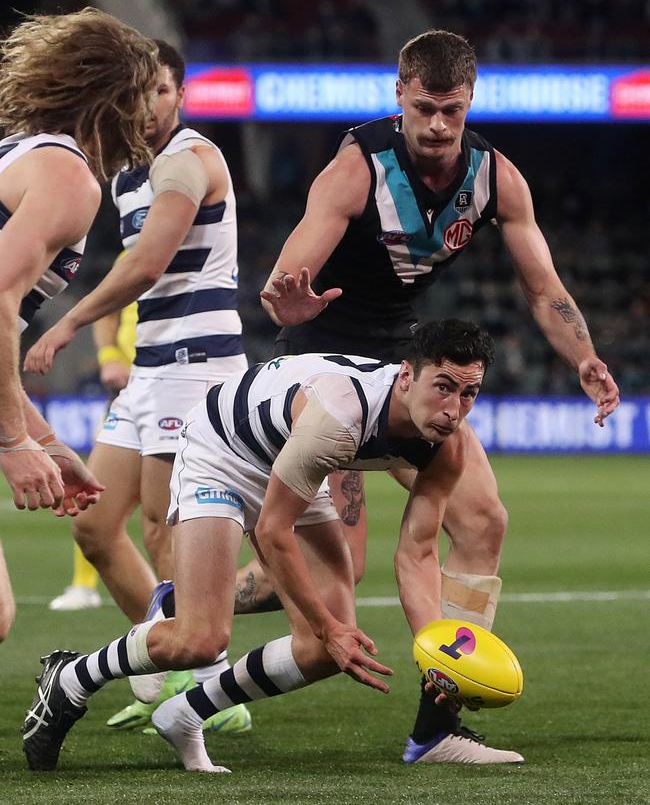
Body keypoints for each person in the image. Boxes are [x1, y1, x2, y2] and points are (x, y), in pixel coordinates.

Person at [252, 29, 620, 763]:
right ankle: (185, 602)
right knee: (337, 572)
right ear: (399, 95)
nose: (438, 125)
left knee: (482, 517)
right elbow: (291, 274)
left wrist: (582, 355)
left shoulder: (496, 178)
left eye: (451, 109)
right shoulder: (356, 168)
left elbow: (544, 288)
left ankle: (438, 719)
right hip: (323, 369)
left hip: (403, 365)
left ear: (470, 100)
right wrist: (284, 301)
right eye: (424, 107)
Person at [22, 319, 525, 773]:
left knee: (325, 652)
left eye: (469, 393)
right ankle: (71, 677)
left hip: (291, 460)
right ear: (406, 377)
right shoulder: (341, 417)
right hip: (223, 449)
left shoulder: (449, 447)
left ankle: (186, 713)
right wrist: (328, 628)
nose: (454, 409)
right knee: (202, 640)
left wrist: (435, 655)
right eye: (443, 387)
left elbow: (418, 553)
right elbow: (271, 533)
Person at [24, 41, 251, 733]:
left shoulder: (190, 159)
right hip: (151, 367)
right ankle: (168, 662)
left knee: (161, 527)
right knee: (94, 523)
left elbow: (148, 263)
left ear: (178, 94)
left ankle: (211, 694)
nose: (146, 103)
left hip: (197, 367)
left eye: (158, 90)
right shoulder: (124, 175)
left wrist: (65, 326)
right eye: (136, 91)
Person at [0, 7, 159, 639]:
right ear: (112, 99)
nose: (151, 117)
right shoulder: (68, 177)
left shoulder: (22, 154)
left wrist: (42, 440)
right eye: (144, 96)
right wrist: (14, 444)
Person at [49, 283, 138, 612]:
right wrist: (110, 356)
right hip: (126, 394)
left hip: (176, 389)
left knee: (169, 510)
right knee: (92, 489)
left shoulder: (204, 250)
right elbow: (107, 309)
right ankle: (84, 585)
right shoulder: (130, 255)